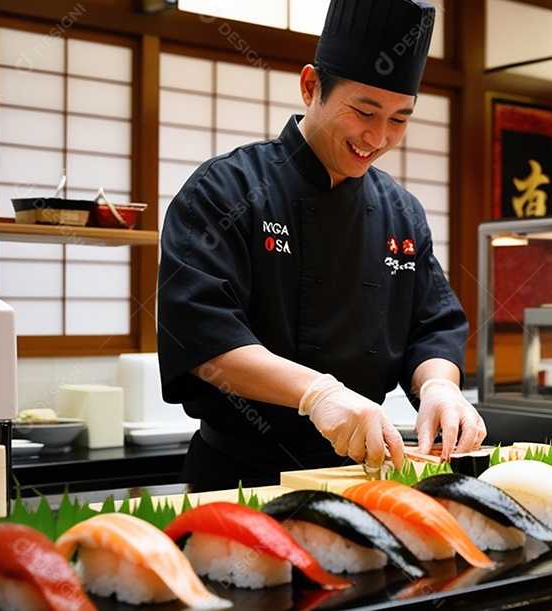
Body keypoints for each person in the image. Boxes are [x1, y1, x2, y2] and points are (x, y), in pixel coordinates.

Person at [156, 0, 485, 492]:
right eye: (364, 111)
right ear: (311, 87)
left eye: (399, 119)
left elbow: (433, 325)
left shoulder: (401, 211)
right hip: (242, 479)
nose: (377, 137)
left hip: (365, 477)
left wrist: (440, 386)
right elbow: (202, 334)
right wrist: (317, 393)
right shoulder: (225, 190)